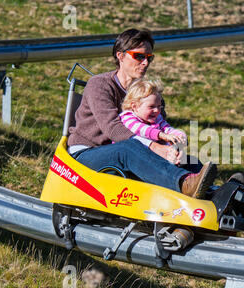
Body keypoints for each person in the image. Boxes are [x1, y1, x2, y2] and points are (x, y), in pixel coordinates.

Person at [67, 28, 216, 198]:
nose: (145, 63)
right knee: (129, 149)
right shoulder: (99, 85)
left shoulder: (147, 94)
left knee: (191, 162)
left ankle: (217, 196)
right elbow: (113, 130)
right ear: (120, 55)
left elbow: (160, 129)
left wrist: (174, 149)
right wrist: (155, 148)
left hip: (130, 151)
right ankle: (183, 183)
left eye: (149, 58)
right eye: (139, 56)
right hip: (88, 153)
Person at [119, 78, 187, 167]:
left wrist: (179, 136)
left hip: (155, 155)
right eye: (151, 107)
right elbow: (142, 130)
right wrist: (162, 135)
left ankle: (195, 175)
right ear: (134, 106)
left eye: (159, 106)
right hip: (133, 157)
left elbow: (167, 128)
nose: (157, 110)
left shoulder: (157, 119)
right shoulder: (127, 118)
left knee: (187, 159)